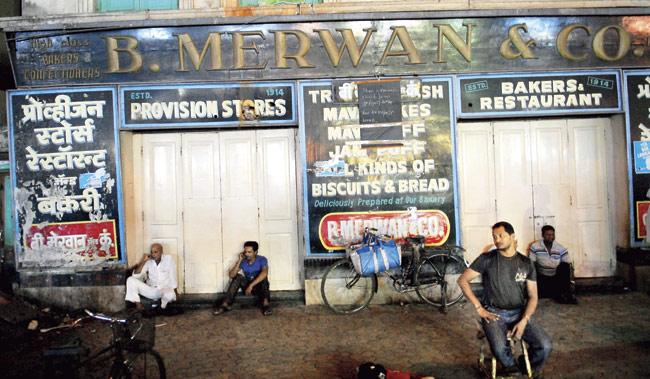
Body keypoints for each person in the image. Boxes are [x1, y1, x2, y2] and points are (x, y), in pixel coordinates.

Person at [458, 221, 552, 378]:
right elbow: (462, 280)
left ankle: (524, 365)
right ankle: (511, 367)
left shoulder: (526, 263)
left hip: (519, 312)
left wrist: (524, 319)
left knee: (545, 346)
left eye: (501, 235)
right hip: (494, 314)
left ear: (512, 236)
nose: (497, 239)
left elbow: (533, 296)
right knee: (500, 348)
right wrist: (479, 308)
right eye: (494, 236)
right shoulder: (487, 259)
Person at [214, 241, 272, 316]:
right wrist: (240, 260)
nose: (247, 254)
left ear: (255, 252)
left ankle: (266, 306)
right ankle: (225, 305)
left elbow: (265, 273)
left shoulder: (262, 259)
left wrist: (251, 286)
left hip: (258, 287)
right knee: (238, 277)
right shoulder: (243, 261)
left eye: (249, 252)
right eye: (245, 252)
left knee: (264, 279)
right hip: (247, 287)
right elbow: (231, 275)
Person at [528, 225, 577, 304]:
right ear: (543, 235)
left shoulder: (560, 248)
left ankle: (564, 294)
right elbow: (531, 263)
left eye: (552, 235)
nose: (551, 237)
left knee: (565, 266)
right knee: (532, 266)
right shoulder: (535, 246)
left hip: (555, 277)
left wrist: (572, 283)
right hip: (541, 277)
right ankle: (548, 293)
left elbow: (569, 267)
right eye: (548, 235)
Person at [125, 243, 178, 310]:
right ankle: (138, 305)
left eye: (156, 252)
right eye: (152, 252)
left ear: (161, 252)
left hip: (164, 289)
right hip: (152, 290)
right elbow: (136, 275)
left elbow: (173, 276)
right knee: (130, 279)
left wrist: (175, 292)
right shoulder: (149, 261)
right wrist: (143, 261)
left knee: (170, 295)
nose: (153, 254)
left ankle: (162, 306)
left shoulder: (168, 259)